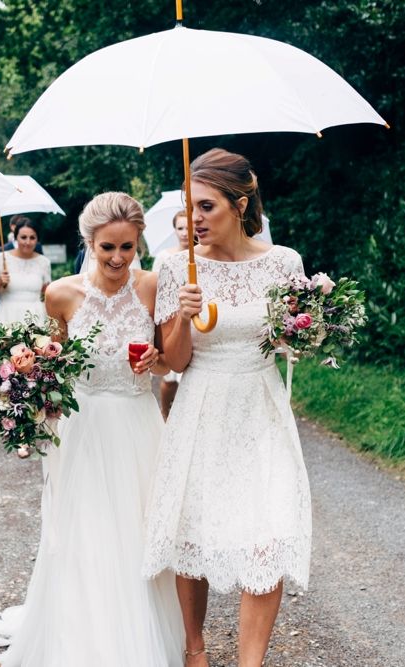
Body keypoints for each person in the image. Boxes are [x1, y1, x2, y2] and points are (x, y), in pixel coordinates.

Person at [0, 192, 183, 666]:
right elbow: (54, 363)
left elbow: (171, 357)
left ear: (138, 245)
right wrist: (26, 395)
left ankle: (136, 638)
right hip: (82, 425)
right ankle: (81, 638)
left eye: (127, 247)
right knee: (84, 529)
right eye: (107, 247)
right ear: (89, 241)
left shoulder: (152, 286)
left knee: (135, 528)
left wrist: (158, 357)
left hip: (135, 421)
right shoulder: (61, 293)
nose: (117, 258)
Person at [142, 148, 312, 667]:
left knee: (268, 531)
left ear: (240, 204)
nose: (194, 220)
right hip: (201, 406)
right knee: (193, 528)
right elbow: (174, 361)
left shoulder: (284, 262)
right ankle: (195, 651)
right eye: (190, 208)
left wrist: (306, 332)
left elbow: (294, 340)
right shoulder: (174, 266)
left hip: (260, 409)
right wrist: (184, 319)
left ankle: (250, 662)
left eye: (207, 207)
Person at [151, 209, 190, 420]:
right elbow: (156, 288)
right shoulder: (164, 257)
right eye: (180, 228)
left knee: (187, 375)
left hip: (192, 316)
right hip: (170, 315)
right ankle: (165, 412)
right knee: (170, 377)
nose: (184, 232)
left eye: (187, 227)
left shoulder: (202, 255)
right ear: (174, 230)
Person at [0, 218, 51, 324]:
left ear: (37, 240)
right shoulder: (1, 258)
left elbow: (47, 294)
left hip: (35, 318)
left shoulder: (44, 262)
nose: (27, 242)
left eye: (32, 238)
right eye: (23, 237)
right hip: (7, 316)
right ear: (16, 238)